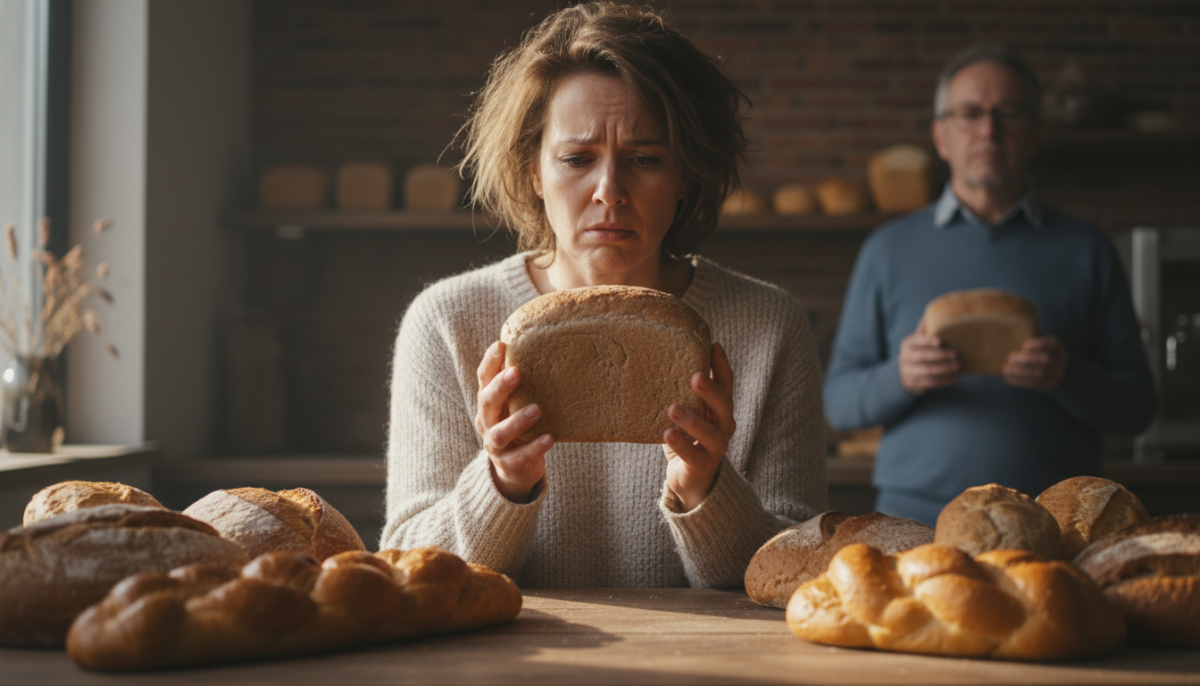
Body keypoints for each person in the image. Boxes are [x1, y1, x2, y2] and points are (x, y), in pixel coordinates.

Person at [380, 2, 826, 587]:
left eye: (645, 159)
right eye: (577, 159)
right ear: (534, 171)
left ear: (686, 174)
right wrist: (502, 484)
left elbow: (799, 576)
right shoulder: (446, 322)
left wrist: (706, 491)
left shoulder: (769, 325)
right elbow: (405, 568)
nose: (610, 191)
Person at [823, 44, 1157, 527]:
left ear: (1035, 132)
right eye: (969, 113)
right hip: (913, 519)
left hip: (1055, 523)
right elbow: (838, 403)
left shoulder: (1088, 249)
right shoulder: (886, 248)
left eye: (1009, 112)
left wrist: (1067, 375)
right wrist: (901, 377)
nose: (988, 130)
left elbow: (1138, 408)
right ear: (940, 136)